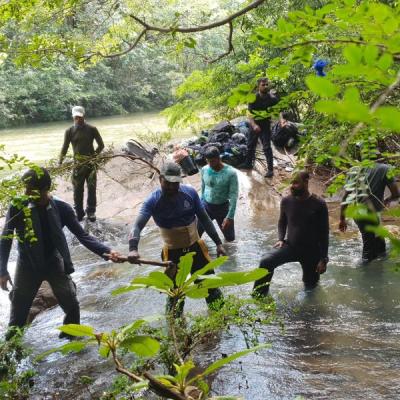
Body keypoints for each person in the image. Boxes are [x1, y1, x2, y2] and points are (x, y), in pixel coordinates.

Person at [0, 167, 120, 338]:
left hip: (53, 261)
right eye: (25, 188)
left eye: (31, 189)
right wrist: (2, 271)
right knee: (18, 313)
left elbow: (82, 235)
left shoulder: (62, 208)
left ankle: (71, 340)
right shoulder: (18, 206)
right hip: (27, 264)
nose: (26, 192)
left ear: (45, 189)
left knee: (71, 304)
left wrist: (107, 252)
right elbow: (6, 238)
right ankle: (11, 351)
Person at [128, 162, 226, 314]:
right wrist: (133, 249)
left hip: (196, 248)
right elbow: (137, 226)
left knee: (210, 285)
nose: (172, 187)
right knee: (175, 294)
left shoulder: (190, 193)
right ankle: (175, 326)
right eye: (168, 183)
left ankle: (221, 319)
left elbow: (205, 219)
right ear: (160, 179)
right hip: (172, 254)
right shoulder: (153, 201)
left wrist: (219, 243)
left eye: (176, 183)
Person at [253, 171, 329, 297]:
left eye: (296, 183)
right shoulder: (286, 201)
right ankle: (258, 297)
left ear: (306, 182)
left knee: (310, 287)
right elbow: (282, 221)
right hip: (291, 247)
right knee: (266, 262)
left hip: (312, 252)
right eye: (291, 183)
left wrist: (324, 259)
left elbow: (324, 233)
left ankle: (309, 312)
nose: (292, 186)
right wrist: (281, 239)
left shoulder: (319, 204)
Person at [339, 161, 399, 262]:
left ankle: (377, 271)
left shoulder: (354, 169)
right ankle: (367, 273)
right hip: (370, 214)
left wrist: (342, 219)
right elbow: (396, 193)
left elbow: (346, 196)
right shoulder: (385, 168)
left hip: (358, 213)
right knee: (369, 251)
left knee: (380, 246)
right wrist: (387, 200)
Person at [59, 106, 105, 222]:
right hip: (77, 166)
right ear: (73, 117)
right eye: (76, 117)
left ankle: (91, 212)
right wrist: (60, 162)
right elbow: (65, 147)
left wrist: (94, 157)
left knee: (91, 188)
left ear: (83, 116)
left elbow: (101, 145)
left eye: (80, 117)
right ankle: (79, 212)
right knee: (77, 190)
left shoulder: (92, 129)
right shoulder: (69, 131)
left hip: (91, 165)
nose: (78, 119)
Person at [240, 77, 280, 178]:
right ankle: (248, 164)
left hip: (265, 125)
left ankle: (270, 170)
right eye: (263, 85)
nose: (265, 86)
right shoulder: (253, 98)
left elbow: (278, 109)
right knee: (250, 145)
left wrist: (281, 120)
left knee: (267, 147)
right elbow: (249, 114)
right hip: (254, 124)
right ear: (258, 86)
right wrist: (254, 125)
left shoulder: (272, 98)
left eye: (267, 84)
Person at [198, 146, 238, 242]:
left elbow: (233, 195)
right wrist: (199, 205)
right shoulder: (204, 169)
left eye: (213, 161)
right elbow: (203, 187)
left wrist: (230, 216)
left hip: (222, 208)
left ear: (219, 158)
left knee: (230, 239)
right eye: (208, 161)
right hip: (206, 206)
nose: (210, 164)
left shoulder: (231, 173)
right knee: (196, 233)